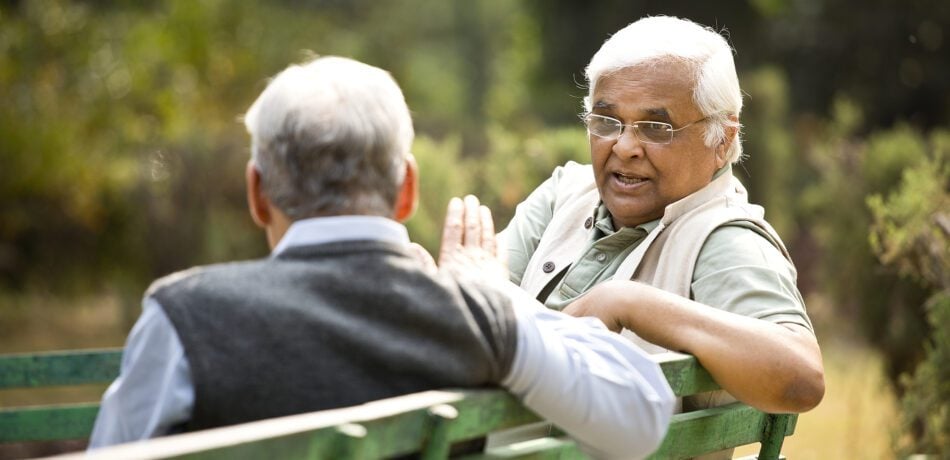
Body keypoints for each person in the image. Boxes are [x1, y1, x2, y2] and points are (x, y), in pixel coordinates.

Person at [88, 56, 675, 459]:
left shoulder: (186, 317)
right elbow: (644, 415)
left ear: (257, 193)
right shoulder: (480, 320)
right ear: (408, 191)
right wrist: (494, 300)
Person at [487, 15, 825, 417]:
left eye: (655, 127)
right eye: (607, 122)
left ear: (723, 139)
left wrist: (629, 303)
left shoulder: (722, 238)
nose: (625, 146)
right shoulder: (566, 193)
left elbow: (801, 378)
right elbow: (477, 296)